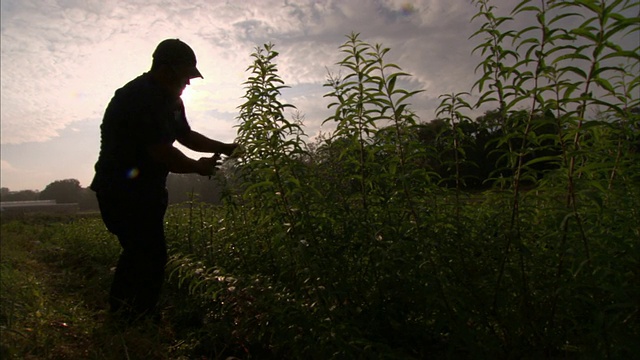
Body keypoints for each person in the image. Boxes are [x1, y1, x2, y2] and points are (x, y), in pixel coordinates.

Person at [90, 38, 238, 322]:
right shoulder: (138, 97)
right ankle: (135, 318)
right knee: (147, 254)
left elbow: (186, 136)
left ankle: (128, 316)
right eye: (186, 75)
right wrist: (198, 167)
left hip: (145, 190)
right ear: (167, 70)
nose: (189, 83)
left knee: (141, 253)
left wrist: (225, 148)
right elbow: (161, 151)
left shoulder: (171, 99)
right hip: (121, 190)